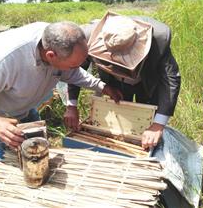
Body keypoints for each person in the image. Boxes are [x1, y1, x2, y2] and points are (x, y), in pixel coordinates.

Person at [0, 21, 123, 160]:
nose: (77, 68)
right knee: (15, 163)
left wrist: (102, 86)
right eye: (73, 65)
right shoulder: (2, 61)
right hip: (2, 117)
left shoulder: (55, 40)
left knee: (39, 154)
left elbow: (74, 73)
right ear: (50, 56)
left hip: (26, 106)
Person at [64, 12, 181, 149]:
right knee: (119, 121)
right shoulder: (85, 37)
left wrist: (158, 125)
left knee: (147, 125)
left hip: (147, 82)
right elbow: (75, 69)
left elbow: (171, 78)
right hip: (114, 85)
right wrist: (72, 104)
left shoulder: (159, 38)